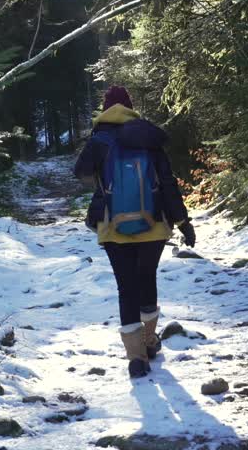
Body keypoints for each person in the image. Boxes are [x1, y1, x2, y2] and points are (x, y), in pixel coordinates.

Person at [73, 85, 195, 379]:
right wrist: (182, 222)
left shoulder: (100, 139)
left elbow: (80, 172)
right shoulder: (147, 136)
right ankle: (150, 341)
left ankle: (136, 359)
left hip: (112, 226)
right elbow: (167, 183)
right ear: (130, 107)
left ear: (105, 109)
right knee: (147, 278)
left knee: (126, 288)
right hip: (153, 225)